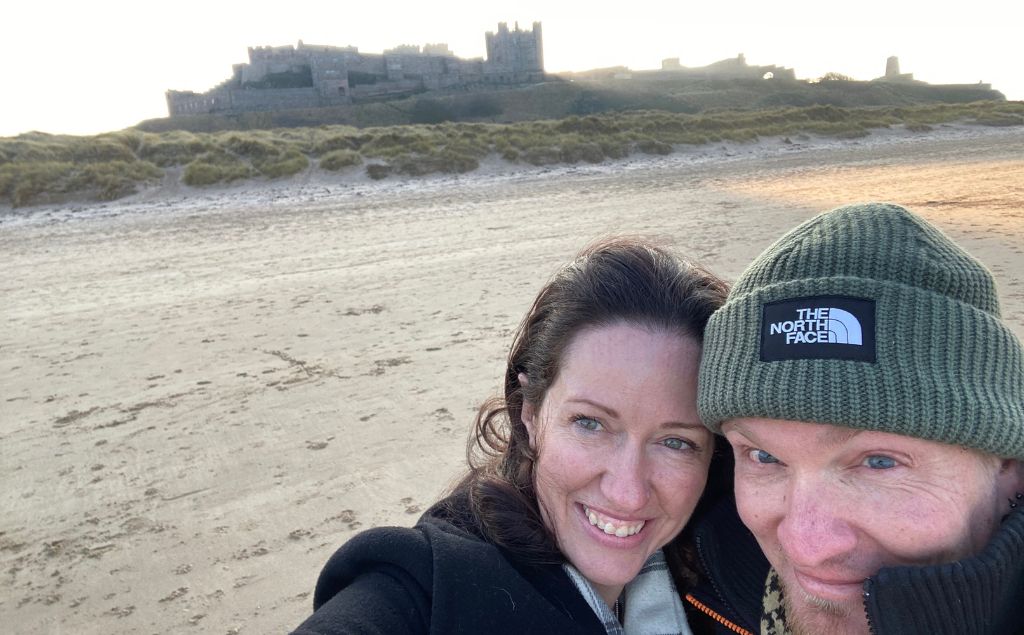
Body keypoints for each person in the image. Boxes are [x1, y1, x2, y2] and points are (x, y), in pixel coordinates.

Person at [293, 237, 733, 634]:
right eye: (590, 423)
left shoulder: (734, 576)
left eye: (676, 442)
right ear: (530, 412)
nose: (629, 493)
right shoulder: (429, 587)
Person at [686, 202, 1024, 635]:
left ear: (1008, 469)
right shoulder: (695, 584)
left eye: (879, 461)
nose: (806, 546)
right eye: (764, 457)